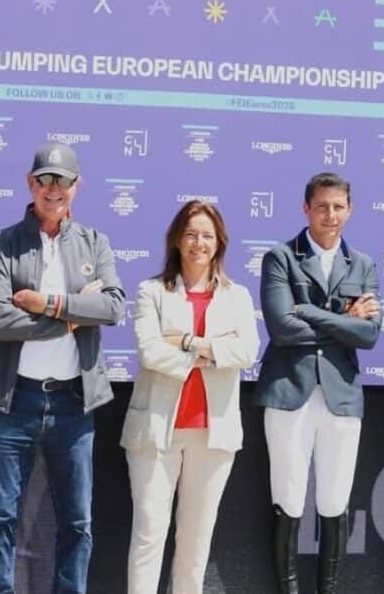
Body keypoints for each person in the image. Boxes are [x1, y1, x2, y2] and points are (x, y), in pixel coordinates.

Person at [0, 143, 125, 594]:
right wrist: (74, 316)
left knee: (77, 521)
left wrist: (46, 304)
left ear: (77, 187)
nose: (53, 189)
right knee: (0, 517)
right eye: (44, 179)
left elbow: (114, 306)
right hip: (11, 399)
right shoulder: (2, 243)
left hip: (73, 402)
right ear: (29, 183)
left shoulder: (95, 243)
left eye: (62, 180)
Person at [121, 201, 260, 594]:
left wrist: (185, 342)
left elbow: (247, 352)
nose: (199, 243)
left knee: (196, 542)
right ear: (177, 240)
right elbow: (150, 352)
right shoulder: (152, 291)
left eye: (207, 236)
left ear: (219, 244)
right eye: (192, 234)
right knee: (149, 534)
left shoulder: (238, 296)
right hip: (155, 431)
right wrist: (214, 352)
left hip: (213, 436)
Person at [254, 172, 382, 594]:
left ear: (350, 210)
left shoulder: (361, 264)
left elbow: (370, 335)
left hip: (341, 398)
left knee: (334, 502)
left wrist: (307, 311)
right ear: (306, 208)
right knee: (288, 499)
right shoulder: (280, 258)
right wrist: (346, 320)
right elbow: (281, 328)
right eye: (322, 206)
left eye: (338, 206)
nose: (331, 215)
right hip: (290, 392)